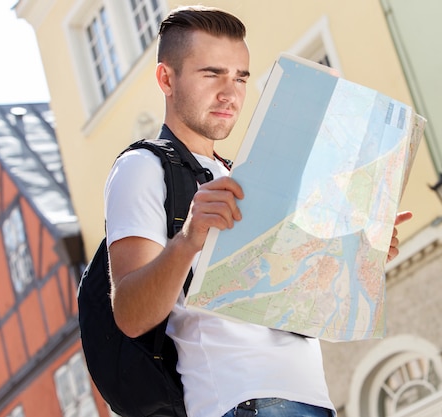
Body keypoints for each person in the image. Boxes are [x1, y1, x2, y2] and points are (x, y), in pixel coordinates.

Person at [105, 5, 412, 417]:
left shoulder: (243, 173)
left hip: (311, 399)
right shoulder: (141, 168)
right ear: (167, 78)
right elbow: (128, 312)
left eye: (241, 77)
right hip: (242, 401)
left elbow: (291, 295)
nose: (230, 93)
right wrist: (189, 240)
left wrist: (360, 255)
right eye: (212, 74)